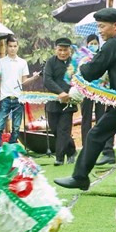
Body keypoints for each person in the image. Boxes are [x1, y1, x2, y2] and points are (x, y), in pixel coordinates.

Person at [54, 8, 116, 191]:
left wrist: (79, 68)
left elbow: (93, 71)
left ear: (115, 26)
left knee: (96, 135)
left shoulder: (113, 44)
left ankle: (80, 177)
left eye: (102, 26)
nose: (99, 30)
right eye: (98, 26)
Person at [0, 37, 36, 144]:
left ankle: (12, 151)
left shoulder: (22, 62)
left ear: (18, 47)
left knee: (16, 128)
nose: (12, 49)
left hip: (18, 98)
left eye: (15, 46)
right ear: (7, 47)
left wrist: (34, 77)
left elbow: (24, 82)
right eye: (10, 46)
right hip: (5, 98)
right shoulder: (0, 62)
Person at [43, 38, 77, 166]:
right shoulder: (50, 62)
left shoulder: (74, 63)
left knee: (63, 130)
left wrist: (70, 93)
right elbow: (47, 80)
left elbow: (79, 79)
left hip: (69, 102)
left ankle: (59, 158)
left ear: (70, 50)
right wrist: (60, 92)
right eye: (60, 50)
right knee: (55, 130)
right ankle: (72, 151)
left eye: (65, 50)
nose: (63, 53)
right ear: (55, 49)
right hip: (53, 102)